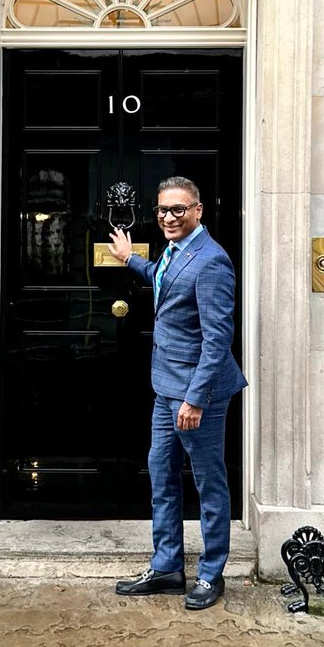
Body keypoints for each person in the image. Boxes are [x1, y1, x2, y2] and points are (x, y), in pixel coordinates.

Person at [107, 176, 246, 610]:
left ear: (198, 211)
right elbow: (164, 279)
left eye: (178, 210)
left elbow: (217, 339)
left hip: (195, 394)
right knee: (162, 475)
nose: (168, 217)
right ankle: (167, 566)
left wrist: (196, 399)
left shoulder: (212, 262)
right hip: (165, 387)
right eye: (163, 210)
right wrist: (130, 259)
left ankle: (210, 573)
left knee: (208, 482)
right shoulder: (174, 252)